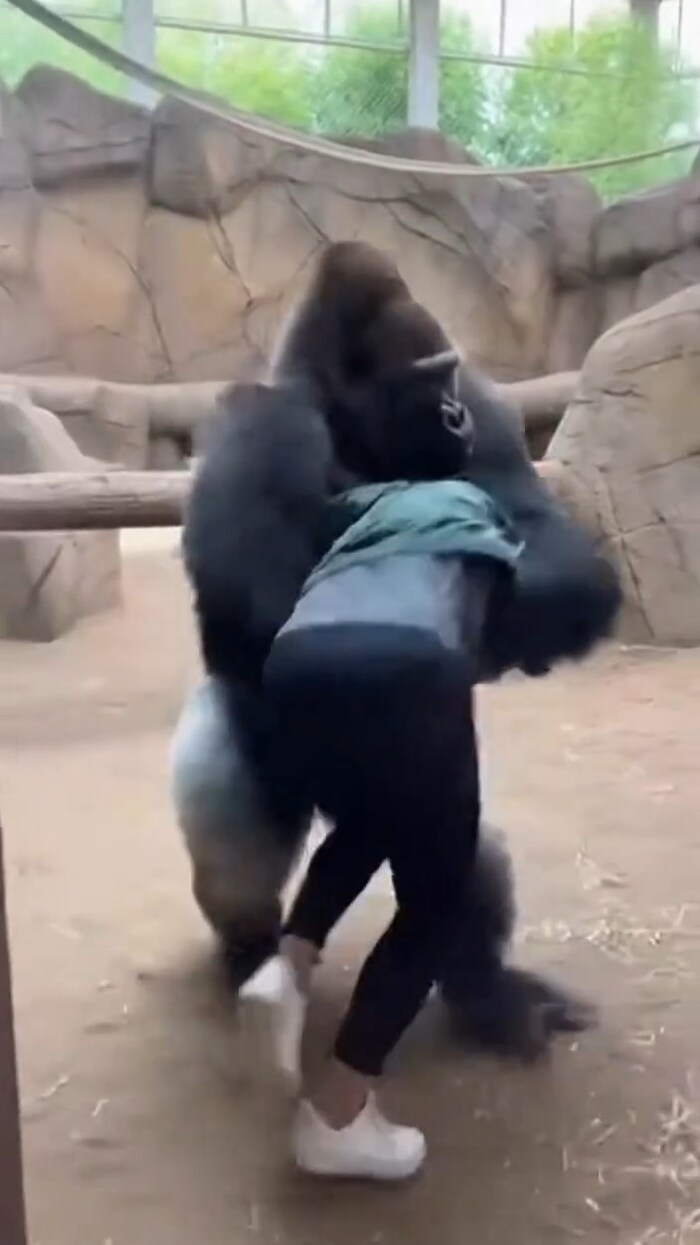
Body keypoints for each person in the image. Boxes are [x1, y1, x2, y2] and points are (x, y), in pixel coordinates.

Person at [242, 476, 522, 1181]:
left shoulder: (359, 512)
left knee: (373, 812)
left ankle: (288, 966)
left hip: (294, 660)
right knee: (438, 900)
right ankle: (338, 1115)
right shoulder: (480, 509)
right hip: (411, 661)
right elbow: (494, 641)